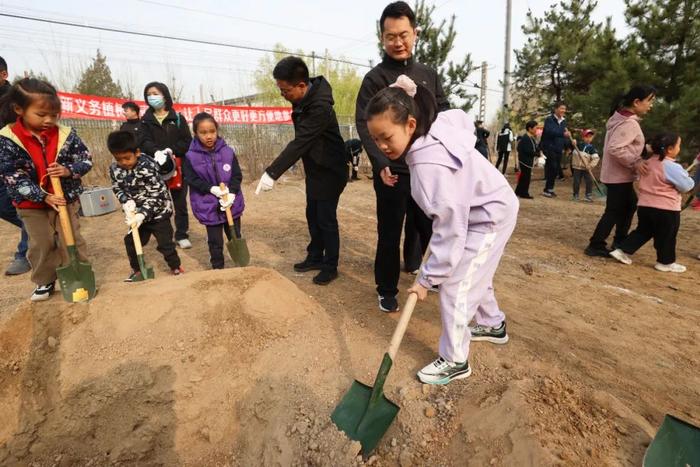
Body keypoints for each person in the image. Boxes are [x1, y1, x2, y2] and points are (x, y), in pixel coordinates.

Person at [366, 75, 519, 385]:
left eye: (386, 137)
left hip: (488, 215)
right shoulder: (434, 126)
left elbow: (449, 231)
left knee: (455, 285)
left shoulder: (427, 168)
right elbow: (460, 118)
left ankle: (455, 359)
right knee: (474, 270)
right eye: (376, 140)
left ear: (410, 124)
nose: (382, 146)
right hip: (485, 205)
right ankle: (492, 324)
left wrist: (427, 280)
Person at [356, 1, 450, 312]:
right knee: (389, 231)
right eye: (390, 36)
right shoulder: (375, 79)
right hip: (393, 172)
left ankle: (434, 278)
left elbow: (444, 113)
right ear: (382, 38)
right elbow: (362, 122)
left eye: (404, 35)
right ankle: (386, 288)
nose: (398, 42)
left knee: (431, 227)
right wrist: (380, 163)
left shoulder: (428, 74)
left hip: (426, 168)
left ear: (415, 34)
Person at [255, 56, 346, 285]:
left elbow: (301, 141)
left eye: (285, 90)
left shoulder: (320, 107)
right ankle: (315, 256)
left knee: (326, 219)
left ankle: (330, 265)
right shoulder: (302, 101)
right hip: (315, 169)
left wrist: (272, 172)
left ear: (302, 85)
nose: (283, 95)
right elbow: (304, 142)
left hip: (331, 170)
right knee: (312, 214)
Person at [0, 78, 93, 301]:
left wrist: (69, 170)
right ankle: (45, 281)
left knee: (72, 239)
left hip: (64, 199)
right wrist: (42, 195)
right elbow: (13, 176)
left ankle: (79, 274)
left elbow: (86, 159)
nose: (49, 120)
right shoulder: (7, 139)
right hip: (31, 204)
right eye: (41, 115)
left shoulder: (65, 135)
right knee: (41, 242)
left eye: (54, 115)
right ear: (19, 109)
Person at [585, 85, 656, 257]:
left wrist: (645, 151)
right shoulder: (629, 123)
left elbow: (626, 146)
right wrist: (636, 161)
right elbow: (615, 148)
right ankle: (596, 244)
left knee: (628, 205)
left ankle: (619, 241)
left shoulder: (622, 119)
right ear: (637, 102)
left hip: (617, 174)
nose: (651, 105)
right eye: (650, 101)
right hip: (619, 176)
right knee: (614, 210)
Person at [609, 133, 694, 273]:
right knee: (666, 236)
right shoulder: (672, 166)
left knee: (642, 231)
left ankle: (622, 250)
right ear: (670, 149)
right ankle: (665, 262)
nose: (680, 148)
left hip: (645, 206)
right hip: (666, 209)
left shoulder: (646, 163)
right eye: (679, 145)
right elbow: (686, 186)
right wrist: (689, 179)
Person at [108, 130, 183, 280]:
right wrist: (125, 201)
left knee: (165, 243)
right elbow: (117, 187)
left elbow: (158, 194)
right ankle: (138, 269)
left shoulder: (148, 166)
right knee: (131, 242)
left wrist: (143, 213)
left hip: (158, 213)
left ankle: (176, 266)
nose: (123, 162)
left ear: (137, 152)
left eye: (127, 158)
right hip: (135, 215)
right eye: (118, 159)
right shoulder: (115, 169)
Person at [184, 112, 244, 270]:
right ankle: (218, 268)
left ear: (217, 130)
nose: (208, 136)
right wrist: (211, 189)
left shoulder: (228, 152)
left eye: (212, 131)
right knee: (215, 241)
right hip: (208, 206)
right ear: (195, 133)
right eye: (203, 133)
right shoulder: (190, 156)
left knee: (235, 235)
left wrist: (231, 193)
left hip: (231, 204)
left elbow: (237, 175)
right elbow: (191, 179)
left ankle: (241, 267)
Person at [140, 81, 193, 249]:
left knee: (180, 203)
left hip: (177, 167)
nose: (152, 97)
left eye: (155, 93)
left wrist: (172, 150)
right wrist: (155, 152)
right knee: (160, 203)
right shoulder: (145, 121)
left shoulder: (177, 118)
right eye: (149, 94)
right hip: (155, 168)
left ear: (164, 95)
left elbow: (187, 142)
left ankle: (182, 234)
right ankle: (166, 237)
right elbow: (143, 141)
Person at [0, 55, 31, 276]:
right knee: (4, 206)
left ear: (4, 74)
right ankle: (42, 231)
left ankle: (24, 254)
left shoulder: (16, 100)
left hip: (17, 161)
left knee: (27, 205)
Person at [540, 102, 570, 197]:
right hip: (549, 147)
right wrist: (562, 134)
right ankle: (547, 189)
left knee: (556, 168)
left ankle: (550, 189)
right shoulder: (549, 120)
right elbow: (549, 131)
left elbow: (564, 136)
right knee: (552, 166)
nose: (563, 111)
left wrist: (568, 146)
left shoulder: (563, 121)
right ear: (556, 109)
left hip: (558, 148)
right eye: (561, 108)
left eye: (564, 109)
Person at [571, 129, 600, 202]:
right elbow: (570, 144)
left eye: (590, 137)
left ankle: (588, 195)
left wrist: (590, 166)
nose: (588, 139)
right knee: (576, 182)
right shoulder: (577, 145)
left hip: (586, 168)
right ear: (583, 137)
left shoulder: (592, 148)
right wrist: (573, 142)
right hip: (577, 167)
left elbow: (596, 159)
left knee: (589, 181)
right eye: (587, 137)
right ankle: (575, 195)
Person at [514, 120, 538, 199]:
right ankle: (524, 193)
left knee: (523, 177)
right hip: (525, 161)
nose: (536, 130)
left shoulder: (530, 138)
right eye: (535, 128)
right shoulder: (525, 138)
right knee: (526, 178)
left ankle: (518, 191)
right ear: (530, 129)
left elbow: (533, 148)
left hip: (528, 160)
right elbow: (526, 150)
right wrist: (536, 154)